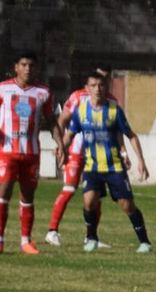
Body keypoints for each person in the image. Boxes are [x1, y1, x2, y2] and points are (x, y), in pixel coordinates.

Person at [62, 71, 152, 253]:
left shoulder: (114, 110)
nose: (97, 89)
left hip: (114, 166)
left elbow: (131, 135)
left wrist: (140, 160)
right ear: (86, 88)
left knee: (127, 205)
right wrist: (61, 148)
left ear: (106, 87)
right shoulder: (80, 111)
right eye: (93, 85)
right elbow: (70, 134)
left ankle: (145, 242)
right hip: (91, 166)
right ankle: (92, 238)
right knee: (89, 201)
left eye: (101, 85)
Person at [0, 52, 60, 255]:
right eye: (24, 64)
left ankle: (25, 241)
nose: (28, 69)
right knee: (4, 190)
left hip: (31, 153)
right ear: (16, 67)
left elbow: (51, 120)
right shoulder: (3, 88)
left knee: (28, 195)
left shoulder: (43, 92)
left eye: (32, 65)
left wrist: (60, 143)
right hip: (6, 151)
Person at [46, 66, 113, 246]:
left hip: (97, 155)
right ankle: (52, 231)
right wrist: (61, 145)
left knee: (96, 196)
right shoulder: (77, 97)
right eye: (97, 80)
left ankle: (91, 237)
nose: (100, 85)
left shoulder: (111, 100)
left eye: (104, 80)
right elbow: (62, 120)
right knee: (69, 189)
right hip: (76, 151)